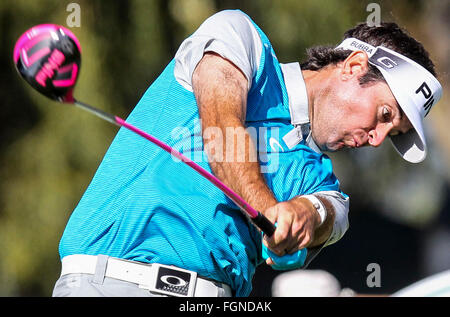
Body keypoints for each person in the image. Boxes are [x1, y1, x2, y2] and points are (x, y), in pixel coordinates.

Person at [52, 10, 442, 297]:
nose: (376, 139)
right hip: (111, 283)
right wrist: (269, 209)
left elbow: (328, 215)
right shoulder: (242, 41)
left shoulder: (322, 181)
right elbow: (222, 130)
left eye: (392, 135)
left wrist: (302, 221)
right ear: (355, 66)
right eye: (384, 115)